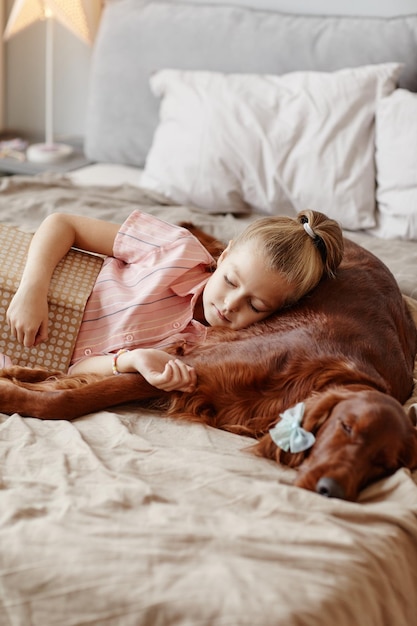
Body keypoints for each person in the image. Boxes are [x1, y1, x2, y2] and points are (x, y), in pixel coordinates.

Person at [6, 209, 343, 393]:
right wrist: (31, 291)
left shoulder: (206, 352)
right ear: (223, 257)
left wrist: (130, 361)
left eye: (255, 306)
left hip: (21, 356)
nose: (229, 305)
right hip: (22, 288)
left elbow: (71, 369)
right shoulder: (175, 250)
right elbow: (62, 223)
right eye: (229, 281)